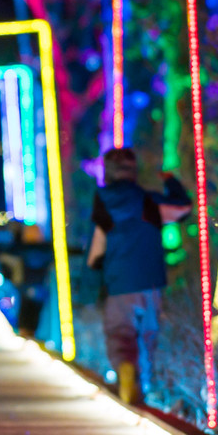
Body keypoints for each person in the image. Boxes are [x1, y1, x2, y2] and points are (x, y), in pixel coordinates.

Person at [87, 147, 192, 405]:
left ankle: (125, 368)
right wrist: (170, 181)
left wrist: (93, 269)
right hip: (151, 280)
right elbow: (183, 208)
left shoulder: (104, 200)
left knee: (120, 331)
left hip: (119, 280)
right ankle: (145, 389)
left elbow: (98, 244)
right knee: (148, 334)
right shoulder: (149, 202)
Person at [0, 220, 54, 339]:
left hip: (24, 284)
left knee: (24, 308)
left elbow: (4, 257)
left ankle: (25, 332)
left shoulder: (19, 249)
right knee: (36, 310)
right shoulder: (46, 250)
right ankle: (33, 334)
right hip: (39, 285)